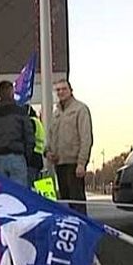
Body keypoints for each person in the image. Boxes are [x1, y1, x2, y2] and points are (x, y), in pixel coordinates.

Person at [46, 79, 93, 215]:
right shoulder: (56, 113)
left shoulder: (80, 109)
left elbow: (86, 138)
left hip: (74, 164)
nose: (61, 92)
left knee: (77, 203)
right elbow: (50, 136)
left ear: (71, 91)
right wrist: (48, 151)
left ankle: (81, 230)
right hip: (59, 164)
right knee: (65, 203)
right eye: (58, 90)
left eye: (64, 89)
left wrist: (82, 163)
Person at [0, 81, 34, 186]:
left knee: (2, 194)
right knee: (19, 194)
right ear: (12, 93)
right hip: (17, 156)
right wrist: (27, 155)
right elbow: (29, 135)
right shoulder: (20, 112)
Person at [26, 105, 45, 186]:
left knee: (29, 185)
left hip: (32, 157)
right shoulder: (38, 122)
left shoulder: (31, 122)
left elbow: (29, 140)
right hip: (38, 157)